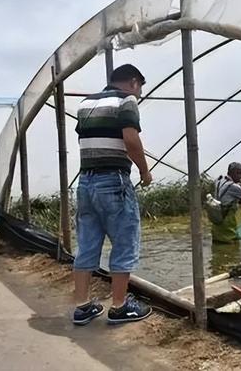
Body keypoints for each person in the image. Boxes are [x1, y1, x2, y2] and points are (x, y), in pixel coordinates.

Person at [72, 64, 152, 326]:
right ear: (133, 82)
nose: (139, 93)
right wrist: (144, 171)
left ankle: (82, 306)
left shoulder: (85, 103)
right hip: (113, 180)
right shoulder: (127, 101)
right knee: (125, 241)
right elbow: (130, 139)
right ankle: (119, 307)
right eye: (140, 87)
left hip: (86, 181)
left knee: (88, 243)